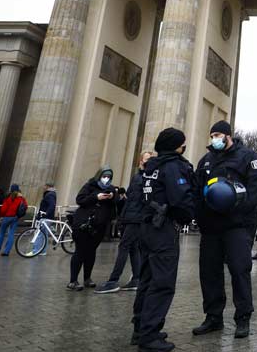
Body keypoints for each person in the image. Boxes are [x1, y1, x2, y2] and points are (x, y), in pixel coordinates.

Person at [193, 120, 257, 339]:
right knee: (209, 272)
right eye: (211, 135)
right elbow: (197, 191)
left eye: (217, 135)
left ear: (227, 135)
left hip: (236, 225)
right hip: (211, 227)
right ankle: (213, 317)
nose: (214, 139)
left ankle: (243, 318)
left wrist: (237, 209)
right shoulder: (205, 160)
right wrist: (200, 217)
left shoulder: (248, 157)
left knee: (239, 270)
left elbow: (255, 190)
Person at [131, 128, 195, 352]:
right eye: (182, 143)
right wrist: (190, 215)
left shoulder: (151, 166)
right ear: (176, 145)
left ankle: (140, 328)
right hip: (163, 229)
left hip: (146, 226)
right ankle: (149, 335)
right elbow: (180, 200)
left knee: (147, 279)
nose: (184, 146)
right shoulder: (173, 166)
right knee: (162, 282)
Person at [97, 152, 156, 294]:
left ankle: (113, 280)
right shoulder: (137, 177)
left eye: (149, 159)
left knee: (124, 246)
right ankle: (136, 278)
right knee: (133, 248)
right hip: (131, 216)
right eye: (145, 159)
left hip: (136, 218)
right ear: (140, 161)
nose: (146, 162)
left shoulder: (147, 178)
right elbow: (131, 198)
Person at [67, 167, 116, 290]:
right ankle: (73, 280)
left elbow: (115, 206)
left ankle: (87, 278)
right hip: (84, 224)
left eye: (109, 177)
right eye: (105, 176)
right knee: (80, 251)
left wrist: (112, 197)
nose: (107, 179)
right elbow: (80, 200)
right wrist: (96, 197)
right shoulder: (89, 185)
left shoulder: (110, 189)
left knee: (91, 252)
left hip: (99, 226)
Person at [0, 184, 26, 256]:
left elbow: (3, 208)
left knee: (1, 234)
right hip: (15, 217)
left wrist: (1, 216)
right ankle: (6, 251)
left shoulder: (8, 197)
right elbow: (25, 206)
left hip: (7, 217)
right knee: (11, 234)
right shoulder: (21, 198)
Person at [34, 182, 57, 254]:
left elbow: (51, 205)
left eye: (44, 186)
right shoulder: (50, 194)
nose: (43, 187)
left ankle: (36, 250)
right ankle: (43, 251)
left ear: (47, 186)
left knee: (40, 234)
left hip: (46, 217)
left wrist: (46, 213)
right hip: (46, 217)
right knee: (44, 234)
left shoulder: (50, 194)